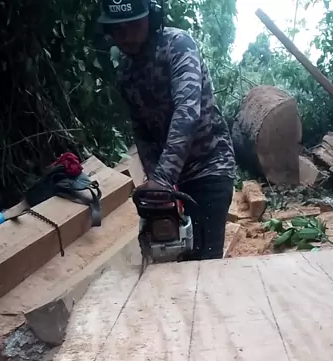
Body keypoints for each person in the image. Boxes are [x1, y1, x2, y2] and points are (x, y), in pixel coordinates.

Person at [98, 0, 236, 260]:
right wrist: (155, 180)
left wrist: (162, 179)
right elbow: (141, 130)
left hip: (209, 166)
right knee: (169, 257)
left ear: (152, 17)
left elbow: (188, 113)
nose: (126, 36)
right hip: (172, 176)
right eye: (118, 29)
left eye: (133, 25)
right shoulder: (126, 72)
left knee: (203, 263)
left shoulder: (178, 46)